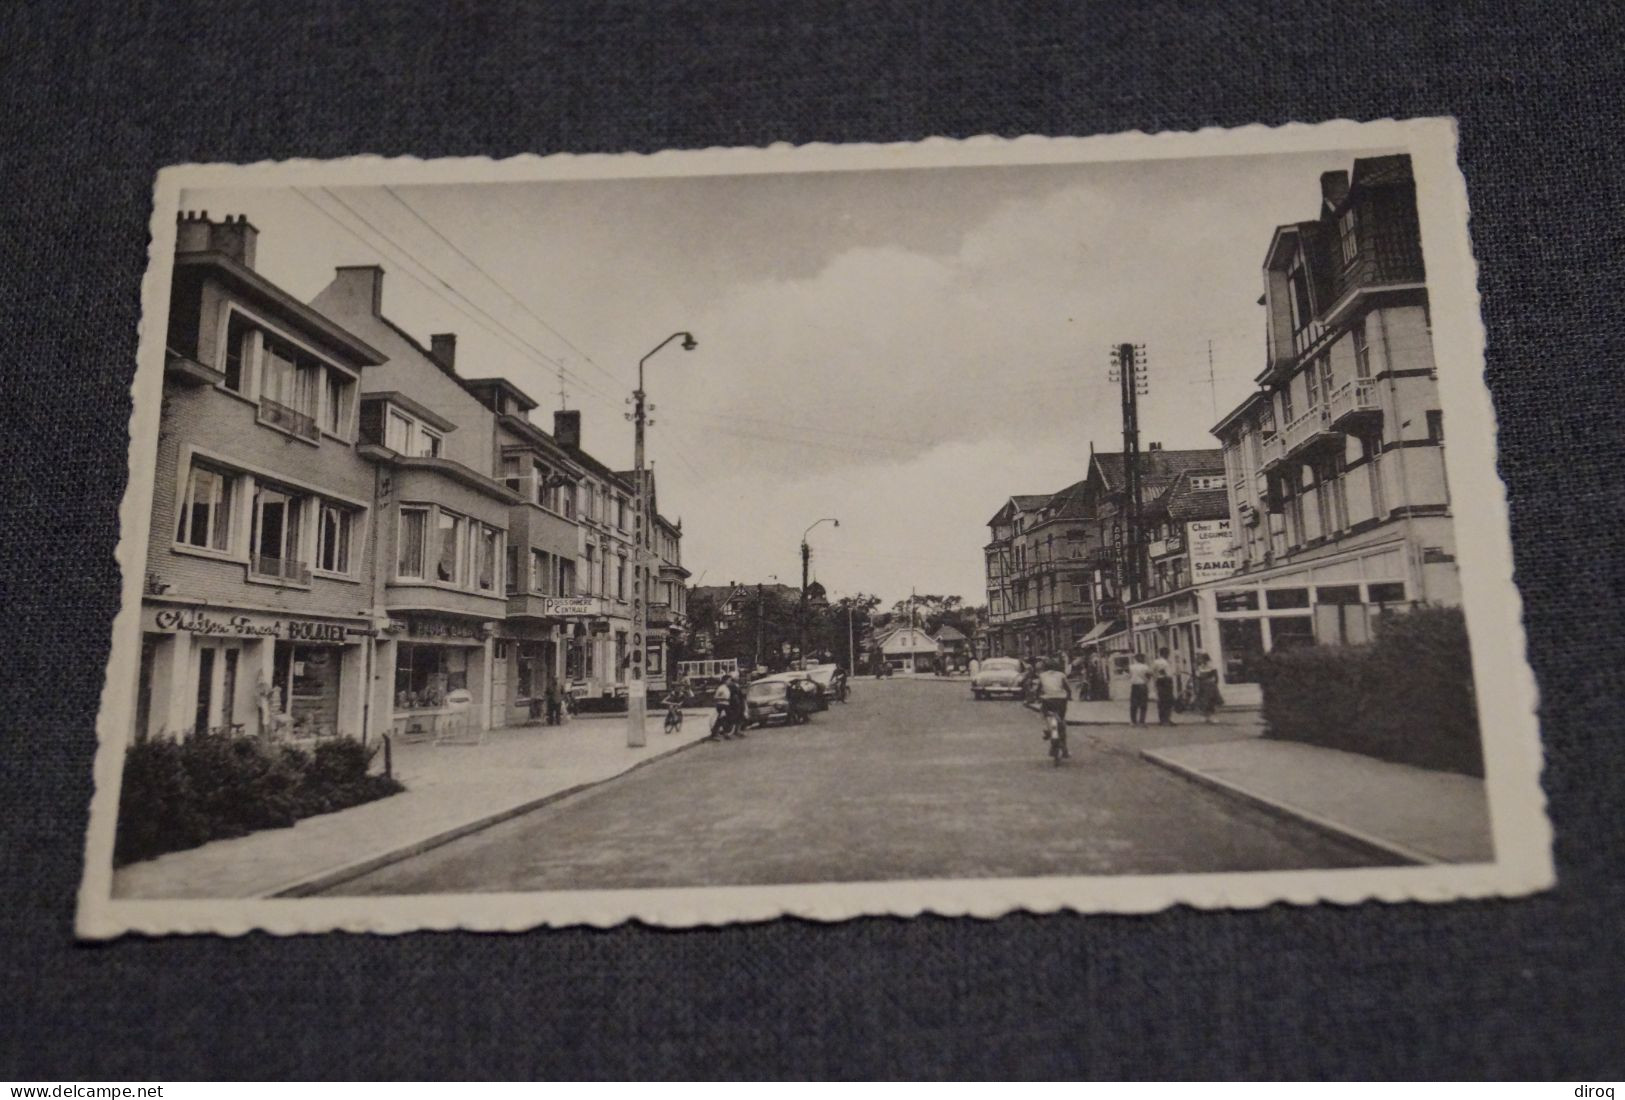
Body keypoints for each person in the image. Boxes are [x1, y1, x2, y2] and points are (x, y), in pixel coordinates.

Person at [1036, 657, 1072, 759]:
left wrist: (1036, 697)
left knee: (1043, 714)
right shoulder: (1061, 675)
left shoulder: (1042, 676)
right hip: (1061, 701)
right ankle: (1064, 748)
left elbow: (1038, 689)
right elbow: (1067, 688)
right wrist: (1069, 695)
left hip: (1047, 701)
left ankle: (1047, 729)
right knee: (1062, 722)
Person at [1195, 651, 1221, 723]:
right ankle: (1206, 716)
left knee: (1211, 701)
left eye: (1201, 658)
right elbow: (1198, 676)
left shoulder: (1211, 665)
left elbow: (1216, 676)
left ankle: (1213, 716)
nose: (1200, 659)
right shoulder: (1200, 666)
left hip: (1210, 684)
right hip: (1203, 684)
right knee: (1204, 701)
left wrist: (1214, 684)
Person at [1127, 652, 1152, 725]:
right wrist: (1147, 680)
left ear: (1136, 659)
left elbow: (1129, 676)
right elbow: (1149, 675)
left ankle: (1133, 721)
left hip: (1134, 686)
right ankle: (1142, 721)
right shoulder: (1146, 667)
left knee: (1133, 704)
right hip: (1143, 686)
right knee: (1143, 704)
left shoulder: (1131, 667)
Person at [1153, 647, 1176, 726]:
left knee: (1165, 700)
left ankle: (1165, 719)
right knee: (1166, 700)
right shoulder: (1160, 662)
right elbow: (1159, 671)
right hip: (1164, 681)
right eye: (1167, 653)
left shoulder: (1164, 661)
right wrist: (1164, 675)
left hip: (1164, 681)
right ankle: (1165, 719)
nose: (1167, 654)